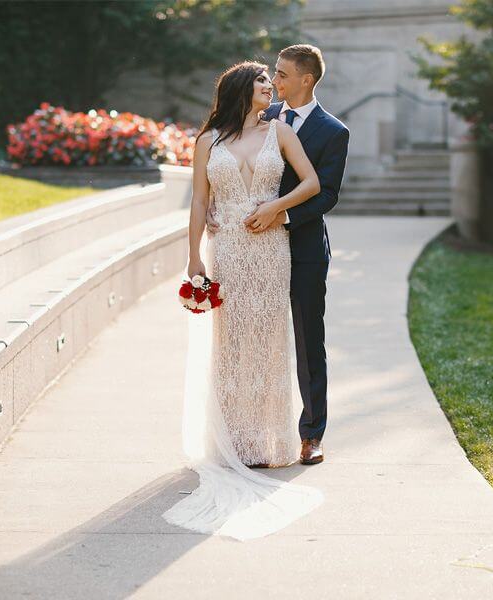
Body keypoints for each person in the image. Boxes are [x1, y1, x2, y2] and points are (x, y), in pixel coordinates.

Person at [162, 58, 325, 540]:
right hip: (228, 250)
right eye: (260, 81)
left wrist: (277, 206)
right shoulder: (208, 141)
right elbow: (197, 201)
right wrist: (193, 256)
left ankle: (267, 440)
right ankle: (231, 440)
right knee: (231, 342)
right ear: (239, 90)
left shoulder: (281, 133)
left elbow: (312, 183)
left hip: (272, 250)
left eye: (270, 80)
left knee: (269, 339)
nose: (269, 87)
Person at [208, 44, 350, 466]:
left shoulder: (333, 131)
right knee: (247, 339)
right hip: (248, 250)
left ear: (306, 80)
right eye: (272, 74)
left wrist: (279, 215)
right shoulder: (261, 116)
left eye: (283, 74)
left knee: (309, 342)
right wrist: (220, 205)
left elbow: (326, 193)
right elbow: (228, 160)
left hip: (302, 246)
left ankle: (311, 435)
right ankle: (247, 433)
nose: (275, 80)